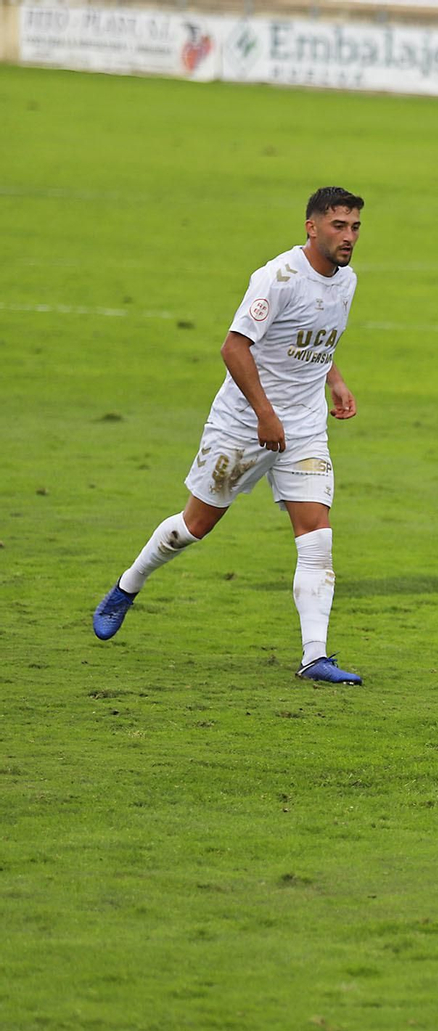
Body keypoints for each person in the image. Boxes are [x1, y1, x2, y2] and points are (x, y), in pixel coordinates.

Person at [92, 187, 368, 685]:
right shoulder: (277, 277)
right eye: (338, 226)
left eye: (354, 228)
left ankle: (315, 657)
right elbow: (234, 348)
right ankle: (127, 586)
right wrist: (264, 414)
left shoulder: (346, 281)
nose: (348, 237)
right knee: (194, 526)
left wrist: (336, 380)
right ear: (311, 226)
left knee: (317, 538)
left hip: (303, 428)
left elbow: (314, 340)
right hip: (244, 425)